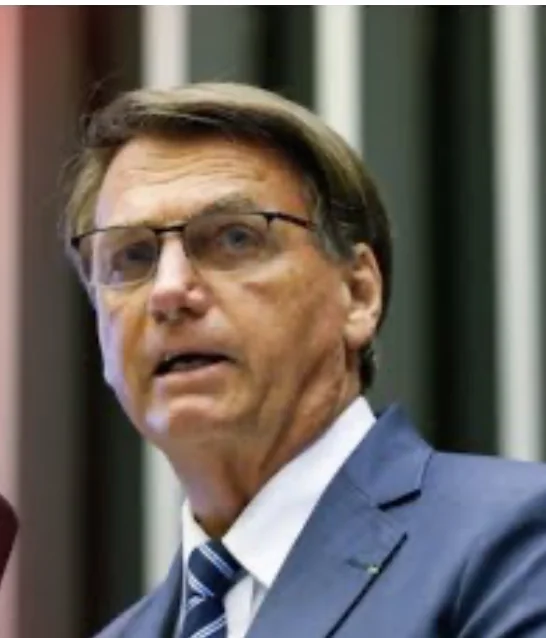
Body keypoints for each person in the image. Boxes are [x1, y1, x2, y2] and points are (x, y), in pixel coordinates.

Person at [63, 82, 546, 638]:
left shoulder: (516, 539)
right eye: (131, 256)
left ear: (358, 294)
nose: (168, 291)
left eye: (235, 238)